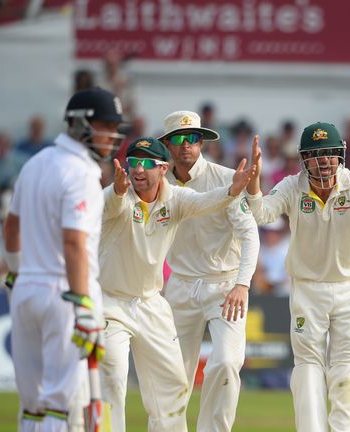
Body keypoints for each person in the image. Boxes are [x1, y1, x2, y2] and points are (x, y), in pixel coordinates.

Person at [245, 122, 350, 432]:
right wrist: (254, 182)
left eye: (329, 153)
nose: (323, 160)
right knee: (308, 368)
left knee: (348, 372)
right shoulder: (291, 186)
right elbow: (262, 214)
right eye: (315, 154)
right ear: (304, 159)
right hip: (308, 291)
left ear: (340, 156)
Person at [98, 136, 256, 432]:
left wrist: (233, 190)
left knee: (172, 387)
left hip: (151, 303)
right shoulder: (117, 196)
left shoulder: (175, 199)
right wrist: (117, 193)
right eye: (133, 163)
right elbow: (109, 208)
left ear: (163, 168)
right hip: (111, 302)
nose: (138, 170)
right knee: (113, 374)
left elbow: (204, 201)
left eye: (146, 163)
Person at [2, 87, 125, 431]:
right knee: (59, 402)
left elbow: (12, 228)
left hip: (26, 289)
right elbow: (73, 242)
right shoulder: (83, 172)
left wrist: (15, 274)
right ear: (80, 124)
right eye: (106, 126)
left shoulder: (35, 163)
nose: (113, 135)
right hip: (64, 293)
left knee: (32, 405)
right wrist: (83, 302)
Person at [159, 110, 260, 432]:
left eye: (192, 138)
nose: (185, 145)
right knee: (173, 373)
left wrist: (243, 284)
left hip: (224, 286)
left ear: (201, 142)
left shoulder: (227, 178)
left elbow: (249, 233)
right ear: (167, 145)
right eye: (178, 139)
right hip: (180, 285)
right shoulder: (157, 183)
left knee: (227, 362)